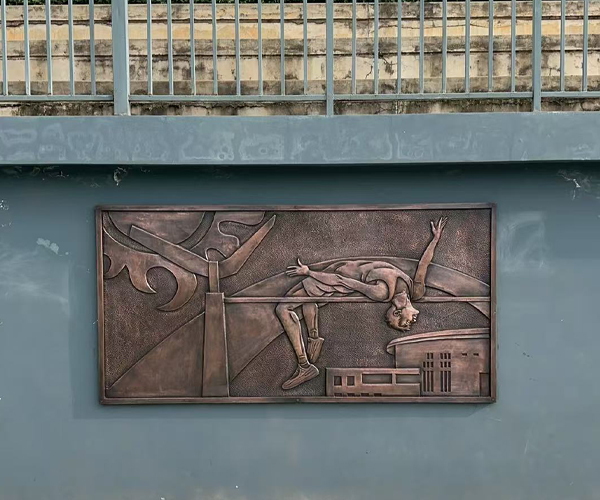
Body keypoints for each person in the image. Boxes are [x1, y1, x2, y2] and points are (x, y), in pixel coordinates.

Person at [275, 217, 448, 390]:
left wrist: (309, 272)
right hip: (337, 274)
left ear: (396, 312)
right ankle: (313, 339)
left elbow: (341, 281)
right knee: (308, 300)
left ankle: (304, 365)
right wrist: (435, 239)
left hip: (332, 280)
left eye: (404, 324)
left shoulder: (381, 293)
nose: (412, 323)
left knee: (283, 308)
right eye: (407, 323)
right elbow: (423, 264)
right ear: (397, 312)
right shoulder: (416, 291)